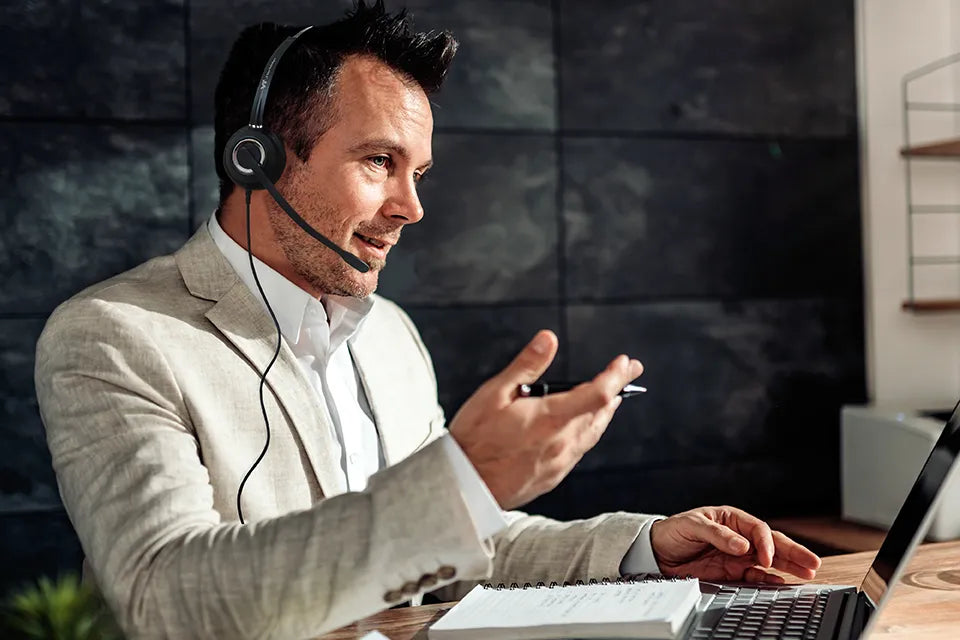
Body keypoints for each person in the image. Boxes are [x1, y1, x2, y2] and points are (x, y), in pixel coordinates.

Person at [34, 3, 821, 639]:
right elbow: (164, 600)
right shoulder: (113, 337)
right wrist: (459, 480)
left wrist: (648, 547)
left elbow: (468, 545)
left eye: (419, 173)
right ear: (259, 158)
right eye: (379, 162)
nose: (412, 208)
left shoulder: (388, 334)